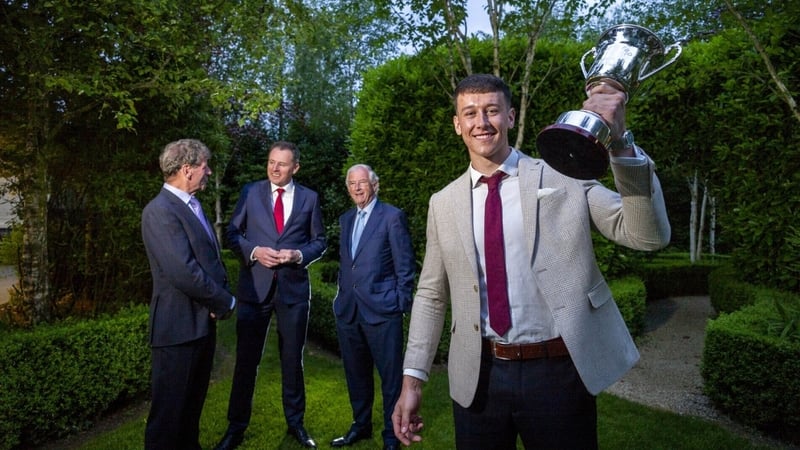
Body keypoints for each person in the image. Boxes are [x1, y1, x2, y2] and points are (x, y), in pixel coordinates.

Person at [391, 74, 671, 449]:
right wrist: (413, 380)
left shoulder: (563, 173)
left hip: (558, 374)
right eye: (470, 113)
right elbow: (430, 295)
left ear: (510, 117)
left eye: (492, 110)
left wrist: (619, 143)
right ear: (458, 125)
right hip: (479, 377)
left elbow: (645, 235)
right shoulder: (443, 202)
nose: (482, 122)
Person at [214, 141, 327, 450]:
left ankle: (296, 424)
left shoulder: (310, 198)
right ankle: (236, 427)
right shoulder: (251, 192)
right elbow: (232, 233)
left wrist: (298, 255)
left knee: (293, 360)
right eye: (271, 162)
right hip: (255, 290)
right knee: (246, 362)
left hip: (292, 292)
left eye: (281, 163)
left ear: (295, 168)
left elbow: (320, 241)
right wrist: (254, 251)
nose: (274, 168)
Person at [141, 138, 236, 450]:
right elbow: (184, 271)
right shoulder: (160, 211)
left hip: (199, 327)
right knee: (168, 419)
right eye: (204, 166)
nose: (208, 172)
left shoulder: (192, 206)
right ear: (187, 169)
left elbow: (208, 261)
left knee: (189, 414)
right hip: (176, 330)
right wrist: (224, 301)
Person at [330, 164, 416, 450]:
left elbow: (405, 267)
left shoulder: (392, 217)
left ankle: (392, 435)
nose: (356, 188)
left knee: (391, 381)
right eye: (351, 183)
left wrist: (399, 304)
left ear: (374, 185)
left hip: (383, 312)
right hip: (349, 312)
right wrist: (340, 296)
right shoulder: (345, 220)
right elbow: (348, 265)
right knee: (356, 375)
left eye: (362, 183)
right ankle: (361, 425)